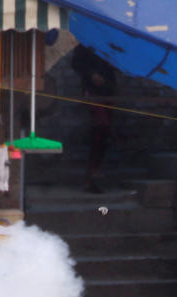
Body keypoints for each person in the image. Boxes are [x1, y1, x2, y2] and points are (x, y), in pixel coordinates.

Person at [70, 44, 116, 194]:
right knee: (100, 127)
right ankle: (90, 177)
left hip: (108, 90)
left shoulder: (112, 38)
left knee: (105, 132)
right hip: (92, 91)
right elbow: (76, 63)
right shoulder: (87, 40)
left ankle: (95, 173)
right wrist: (91, 74)